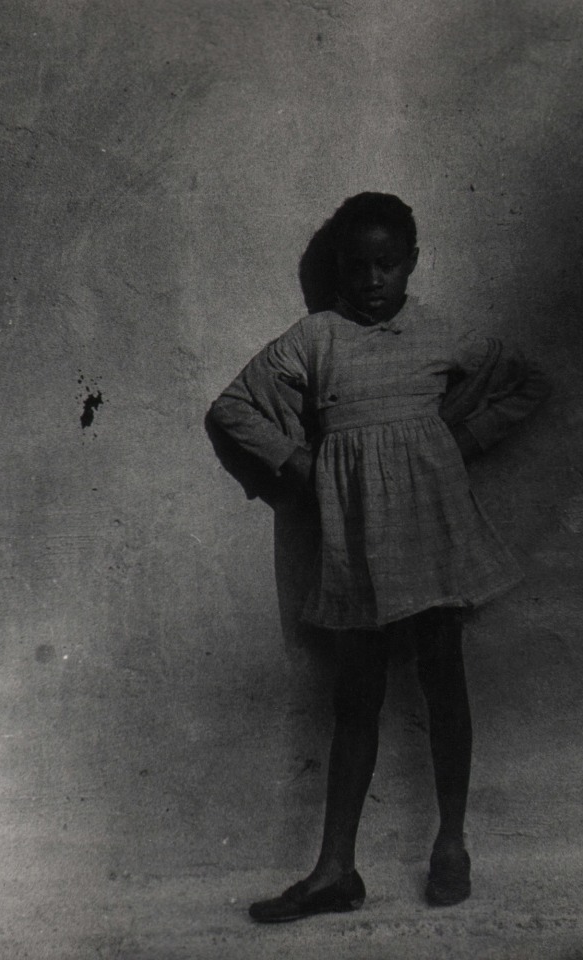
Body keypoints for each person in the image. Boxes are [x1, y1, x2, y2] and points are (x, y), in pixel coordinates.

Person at [208, 192, 549, 922]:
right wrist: (300, 467)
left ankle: (451, 843)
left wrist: (462, 441)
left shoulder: (435, 332)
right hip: (357, 540)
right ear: (338, 271)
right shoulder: (316, 339)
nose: (371, 280)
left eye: (385, 265)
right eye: (356, 266)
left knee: (443, 680)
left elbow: (527, 382)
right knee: (355, 697)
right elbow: (233, 407)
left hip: (431, 531)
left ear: (410, 266)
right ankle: (335, 868)